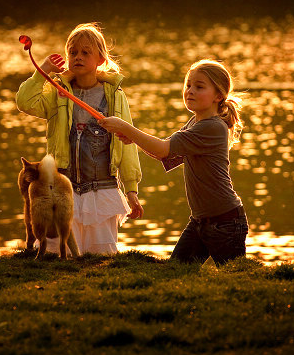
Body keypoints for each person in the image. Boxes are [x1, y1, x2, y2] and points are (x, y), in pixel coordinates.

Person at [101, 59, 247, 265]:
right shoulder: (195, 122)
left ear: (218, 96)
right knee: (176, 270)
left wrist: (126, 128)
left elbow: (162, 148)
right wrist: (132, 137)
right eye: (188, 85)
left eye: (199, 87)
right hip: (200, 222)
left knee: (235, 276)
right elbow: (166, 153)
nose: (190, 91)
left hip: (225, 222)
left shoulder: (212, 127)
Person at [16, 23, 144, 254]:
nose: (78, 57)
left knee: (100, 253)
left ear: (101, 59)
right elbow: (24, 102)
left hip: (102, 187)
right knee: (58, 250)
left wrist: (132, 189)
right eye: (73, 52)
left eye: (86, 52)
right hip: (64, 188)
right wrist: (42, 71)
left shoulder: (115, 97)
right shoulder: (57, 93)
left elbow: (127, 143)